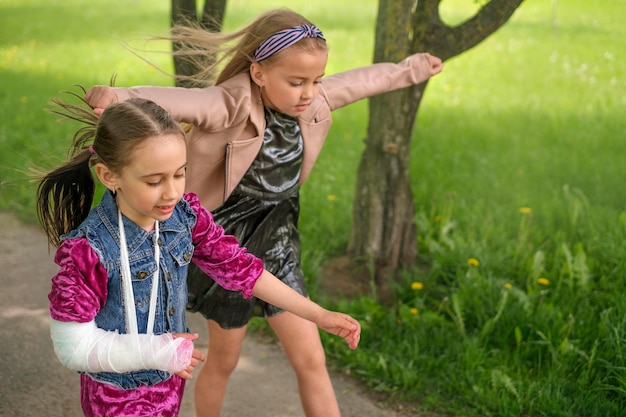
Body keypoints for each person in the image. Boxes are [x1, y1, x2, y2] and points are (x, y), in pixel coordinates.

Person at [84, 8, 443, 417]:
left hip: (279, 244)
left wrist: (413, 68)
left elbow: (361, 81)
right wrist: (120, 97)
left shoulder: (311, 102)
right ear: (258, 74)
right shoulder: (232, 104)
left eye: (316, 80)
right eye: (296, 82)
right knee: (224, 359)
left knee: (312, 358)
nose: (309, 92)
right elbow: (185, 102)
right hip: (230, 247)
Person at [36, 96, 360, 417]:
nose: (172, 192)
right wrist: (158, 353)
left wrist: (317, 314)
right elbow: (72, 346)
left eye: (180, 174)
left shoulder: (184, 217)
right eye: (154, 181)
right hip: (116, 397)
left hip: (169, 386)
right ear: (109, 176)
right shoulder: (90, 249)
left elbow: (242, 269)